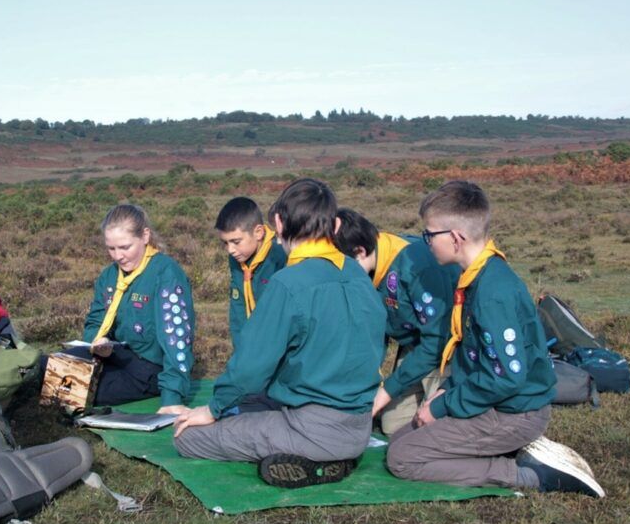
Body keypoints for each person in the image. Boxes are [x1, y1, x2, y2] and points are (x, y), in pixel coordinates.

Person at [386, 181, 604, 497]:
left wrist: (442, 405)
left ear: (455, 238)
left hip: (514, 411)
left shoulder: (492, 293)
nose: (427, 242)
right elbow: (472, 357)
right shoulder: (478, 275)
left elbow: (506, 378)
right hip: (494, 402)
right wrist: (443, 395)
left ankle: (532, 474)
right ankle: (505, 449)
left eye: (430, 234)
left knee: (402, 459)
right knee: (400, 440)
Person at [174, 179, 386, 488]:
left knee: (188, 437)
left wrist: (213, 408)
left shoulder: (288, 283)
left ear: (278, 223)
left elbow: (250, 369)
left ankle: (320, 460)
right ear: (336, 224)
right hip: (359, 424)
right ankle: (323, 453)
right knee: (249, 407)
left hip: (311, 426)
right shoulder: (358, 273)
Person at [333, 208, 460, 435]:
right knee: (392, 425)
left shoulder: (417, 267)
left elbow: (437, 340)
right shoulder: (370, 267)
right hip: (414, 344)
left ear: (360, 252)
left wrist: (387, 391)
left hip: (447, 348)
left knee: (429, 428)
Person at [67, 204, 194, 414]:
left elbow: (176, 340)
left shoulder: (166, 273)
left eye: (125, 247)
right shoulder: (109, 275)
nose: (118, 256)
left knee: (81, 390)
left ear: (145, 236)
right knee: (49, 366)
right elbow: (96, 320)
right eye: (111, 248)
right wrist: (97, 342)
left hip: (150, 367)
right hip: (115, 355)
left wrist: (172, 397)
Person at [214, 197, 288, 345]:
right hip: (249, 345)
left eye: (236, 242)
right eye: (225, 243)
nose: (230, 250)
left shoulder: (280, 257)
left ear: (258, 232)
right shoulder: (238, 259)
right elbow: (238, 306)